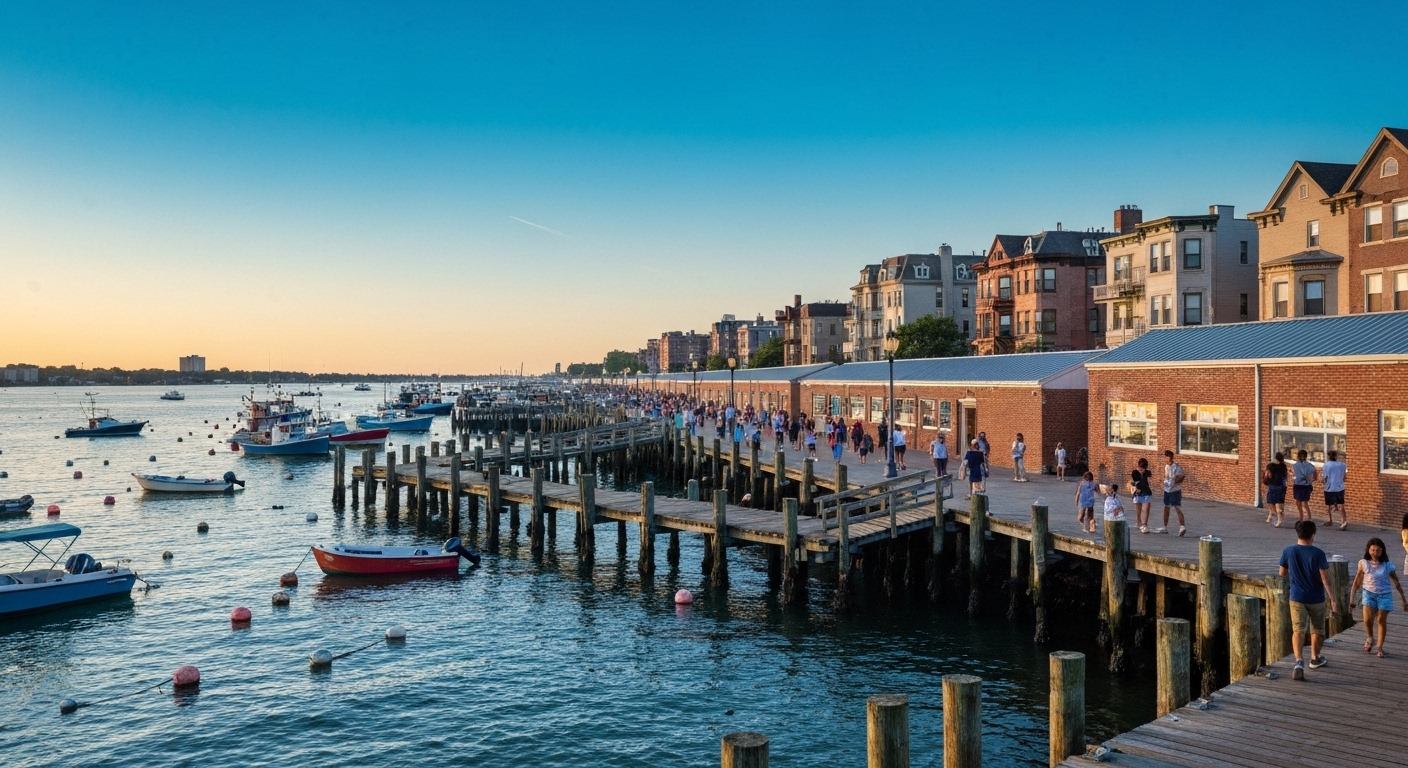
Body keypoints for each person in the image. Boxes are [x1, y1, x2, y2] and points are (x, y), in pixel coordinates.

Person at [1279, 520, 1337, 680]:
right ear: (1313, 534)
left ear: (1297, 533)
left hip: (1297, 596)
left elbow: (1282, 572)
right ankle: (1315, 658)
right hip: (1316, 597)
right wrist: (1332, 599)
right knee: (1318, 630)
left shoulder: (1288, 551)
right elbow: (1325, 579)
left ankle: (1298, 662)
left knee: (1298, 629)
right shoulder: (1318, 553)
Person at [1349, 537, 1407, 658]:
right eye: (1373, 550)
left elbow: (1396, 583)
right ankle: (1370, 637)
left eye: (1378, 550)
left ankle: (1380, 647)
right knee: (1367, 620)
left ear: (1382, 551)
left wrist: (1404, 600)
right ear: (1368, 550)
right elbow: (1356, 582)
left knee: (1381, 620)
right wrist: (1352, 600)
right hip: (1368, 593)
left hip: (1385, 595)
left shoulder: (1387, 566)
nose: (1375, 553)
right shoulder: (1363, 563)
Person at [1159, 450, 1186, 536]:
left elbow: (1181, 476)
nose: (1166, 459)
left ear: (1170, 458)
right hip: (1169, 489)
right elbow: (1167, 476)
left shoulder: (1176, 467)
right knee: (1169, 507)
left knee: (1174, 507)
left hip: (1173, 490)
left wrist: (1175, 481)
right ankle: (1166, 527)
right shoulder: (1167, 466)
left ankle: (1181, 526)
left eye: (1167, 457)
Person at [1322, 449, 1347, 531]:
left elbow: (1325, 478)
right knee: (1340, 505)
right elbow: (1344, 478)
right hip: (1340, 487)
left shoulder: (1326, 465)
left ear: (1328, 457)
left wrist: (1322, 481)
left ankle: (1330, 520)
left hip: (1329, 487)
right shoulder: (1343, 465)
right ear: (1336, 456)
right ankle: (1343, 521)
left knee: (1328, 505)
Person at [1291, 449, 1317, 522]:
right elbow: (1315, 477)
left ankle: (1301, 517)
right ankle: (1309, 516)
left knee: (1298, 502)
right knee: (1305, 501)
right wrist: (1309, 480)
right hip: (1307, 485)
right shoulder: (1311, 466)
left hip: (1298, 484)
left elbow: (1293, 475)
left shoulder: (1295, 466)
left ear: (1298, 456)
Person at [1263, 451, 1288, 527]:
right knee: (1279, 503)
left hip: (1273, 486)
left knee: (1270, 501)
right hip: (1281, 487)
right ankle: (1277, 516)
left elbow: (1267, 475)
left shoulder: (1271, 466)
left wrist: (1267, 481)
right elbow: (1285, 476)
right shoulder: (1283, 466)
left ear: (1275, 458)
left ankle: (1278, 518)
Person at [1130, 457, 1153, 533]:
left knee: (1145, 509)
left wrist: (1145, 474)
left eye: (1143, 468)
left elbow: (1150, 476)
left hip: (1146, 493)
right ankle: (1138, 522)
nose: (1141, 470)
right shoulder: (1135, 472)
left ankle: (1144, 525)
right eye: (1140, 468)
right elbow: (1132, 482)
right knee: (1138, 510)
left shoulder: (1147, 473)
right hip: (1138, 494)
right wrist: (1135, 488)